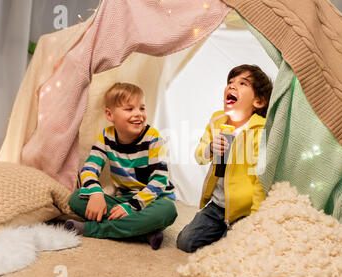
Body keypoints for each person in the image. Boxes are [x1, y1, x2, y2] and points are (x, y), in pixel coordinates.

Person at [65, 83, 177, 250]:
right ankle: (143, 231)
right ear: (110, 115)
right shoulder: (106, 136)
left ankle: (94, 229)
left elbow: (159, 180)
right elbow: (89, 168)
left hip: (153, 200)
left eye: (142, 108)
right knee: (76, 198)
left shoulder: (153, 138)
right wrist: (96, 193)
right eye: (129, 109)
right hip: (123, 198)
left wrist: (131, 207)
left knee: (168, 210)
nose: (138, 114)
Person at [177, 64, 273, 252]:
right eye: (230, 82)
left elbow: (260, 180)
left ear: (259, 102)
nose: (232, 86)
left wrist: (256, 217)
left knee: (231, 251)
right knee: (185, 242)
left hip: (244, 210)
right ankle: (221, 232)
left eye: (243, 83)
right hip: (217, 206)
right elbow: (200, 156)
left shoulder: (260, 132)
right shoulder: (217, 121)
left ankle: (231, 236)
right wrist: (210, 149)